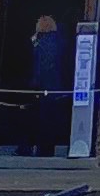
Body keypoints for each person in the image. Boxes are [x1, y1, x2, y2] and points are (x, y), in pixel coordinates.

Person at [27, 14, 72, 156]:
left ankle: (38, 148)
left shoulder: (38, 42)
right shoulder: (61, 42)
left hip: (42, 85)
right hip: (57, 85)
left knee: (41, 118)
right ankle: (48, 148)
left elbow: (37, 63)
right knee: (52, 118)